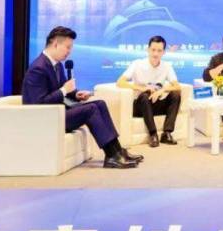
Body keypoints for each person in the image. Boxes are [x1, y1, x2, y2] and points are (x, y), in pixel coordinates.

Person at [22, 26, 142, 168]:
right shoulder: (38, 68)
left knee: (100, 104)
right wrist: (64, 90)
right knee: (91, 109)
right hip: (46, 119)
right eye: (67, 47)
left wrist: (76, 94)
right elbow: (38, 104)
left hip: (58, 113)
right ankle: (111, 155)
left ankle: (117, 150)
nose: (69, 52)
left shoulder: (57, 65)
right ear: (55, 44)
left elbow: (63, 91)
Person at [116, 35, 181, 147]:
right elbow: (120, 82)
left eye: (159, 51)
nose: (156, 54)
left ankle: (167, 133)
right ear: (148, 50)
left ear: (163, 52)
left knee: (175, 95)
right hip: (141, 105)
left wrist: (162, 90)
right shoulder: (137, 64)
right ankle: (153, 134)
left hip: (156, 103)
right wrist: (142, 88)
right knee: (144, 96)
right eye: (153, 50)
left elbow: (177, 86)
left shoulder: (166, 66)